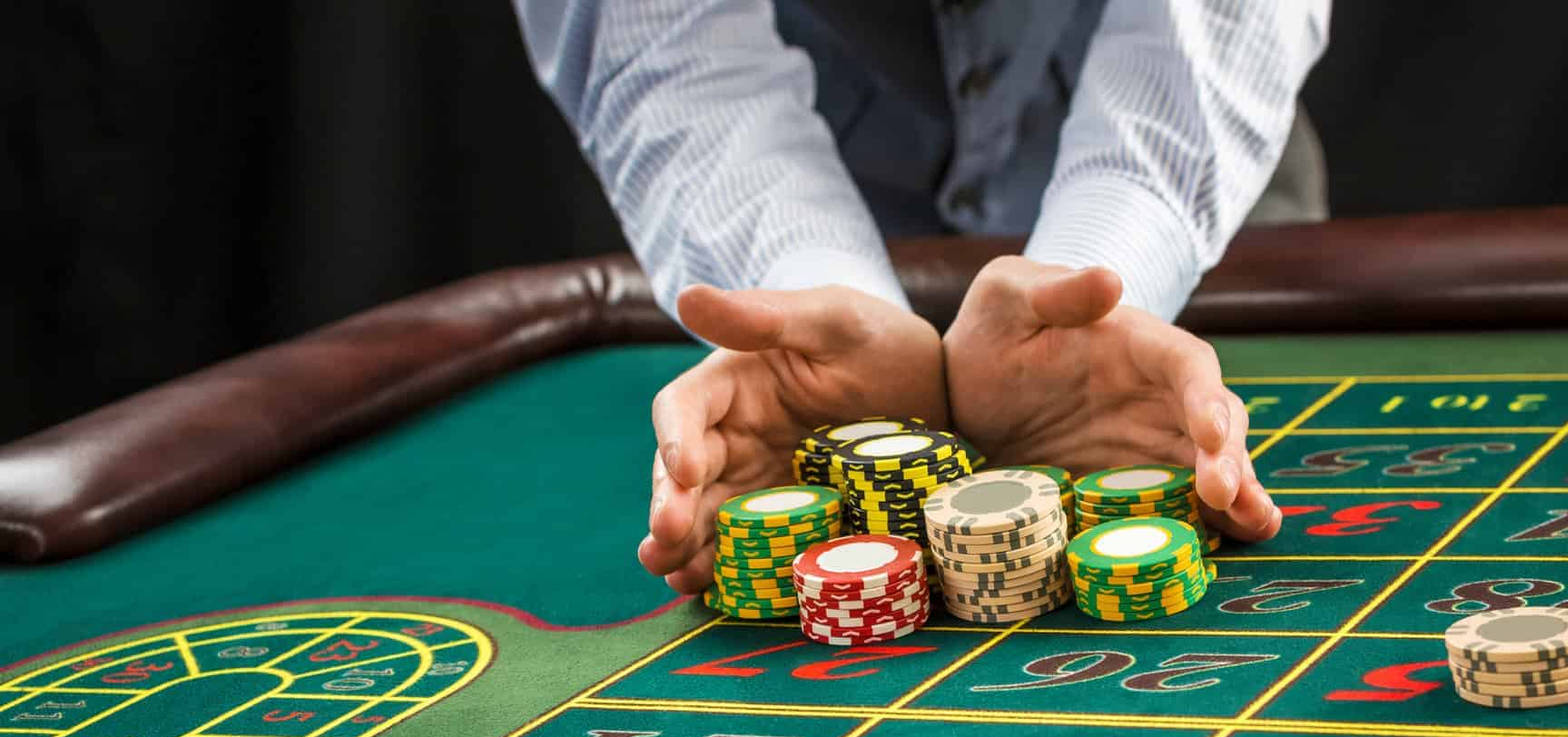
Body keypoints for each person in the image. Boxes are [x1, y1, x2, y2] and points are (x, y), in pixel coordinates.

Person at [515, 1, 1328, 594]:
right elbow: (660, 49)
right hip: (822, 185)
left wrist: (1094, 275)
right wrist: (811, 296)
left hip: (1188, 200)